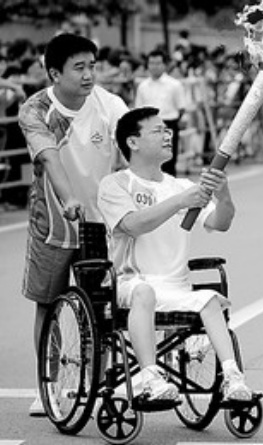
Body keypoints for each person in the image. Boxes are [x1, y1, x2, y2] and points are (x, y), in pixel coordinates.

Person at [97, 106, 252, 402]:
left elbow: (220, 223)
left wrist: (224, 195)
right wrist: (180, 201)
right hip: (131, 283)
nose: (168, 135)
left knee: (209, 299)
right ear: (132, 142)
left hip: (176, 287)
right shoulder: (116, 184)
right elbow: (132, 225)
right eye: (158, 130)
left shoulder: (181, 185)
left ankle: (233, 378)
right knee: (144, 292)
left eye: (167, 130)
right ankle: (151, 378)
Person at [18, 33, 129, 416]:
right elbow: (50, 158)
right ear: (54, 73)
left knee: (100, 307)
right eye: (79, 68)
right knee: (47, 304)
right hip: (53, 221)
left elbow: (130, 150)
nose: (88, 75)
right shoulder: (36, 110)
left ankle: (97, 384)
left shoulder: (110, 104)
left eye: (92, 66)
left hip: (99, 223)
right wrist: (68, 198)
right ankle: (47, 385)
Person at [135, 50, 186, 177]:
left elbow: (181, 107)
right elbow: (138, 109)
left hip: (168, 124)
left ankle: (170, 187)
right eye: (151, 63)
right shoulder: (143, 86)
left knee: (168, 162)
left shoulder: (174, 85)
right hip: (148, 126)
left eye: (158, 63)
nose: (154, 66)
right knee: (149, 162)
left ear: (164, 65)